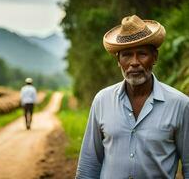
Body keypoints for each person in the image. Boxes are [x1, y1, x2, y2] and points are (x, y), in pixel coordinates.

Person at [76, 15, 189, 178]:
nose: (134, 62)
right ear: (118, 60)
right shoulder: (102, 100)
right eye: (127, 55)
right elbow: (89, 163)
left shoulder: (180, 105)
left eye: (142, 54)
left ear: (155, 57)